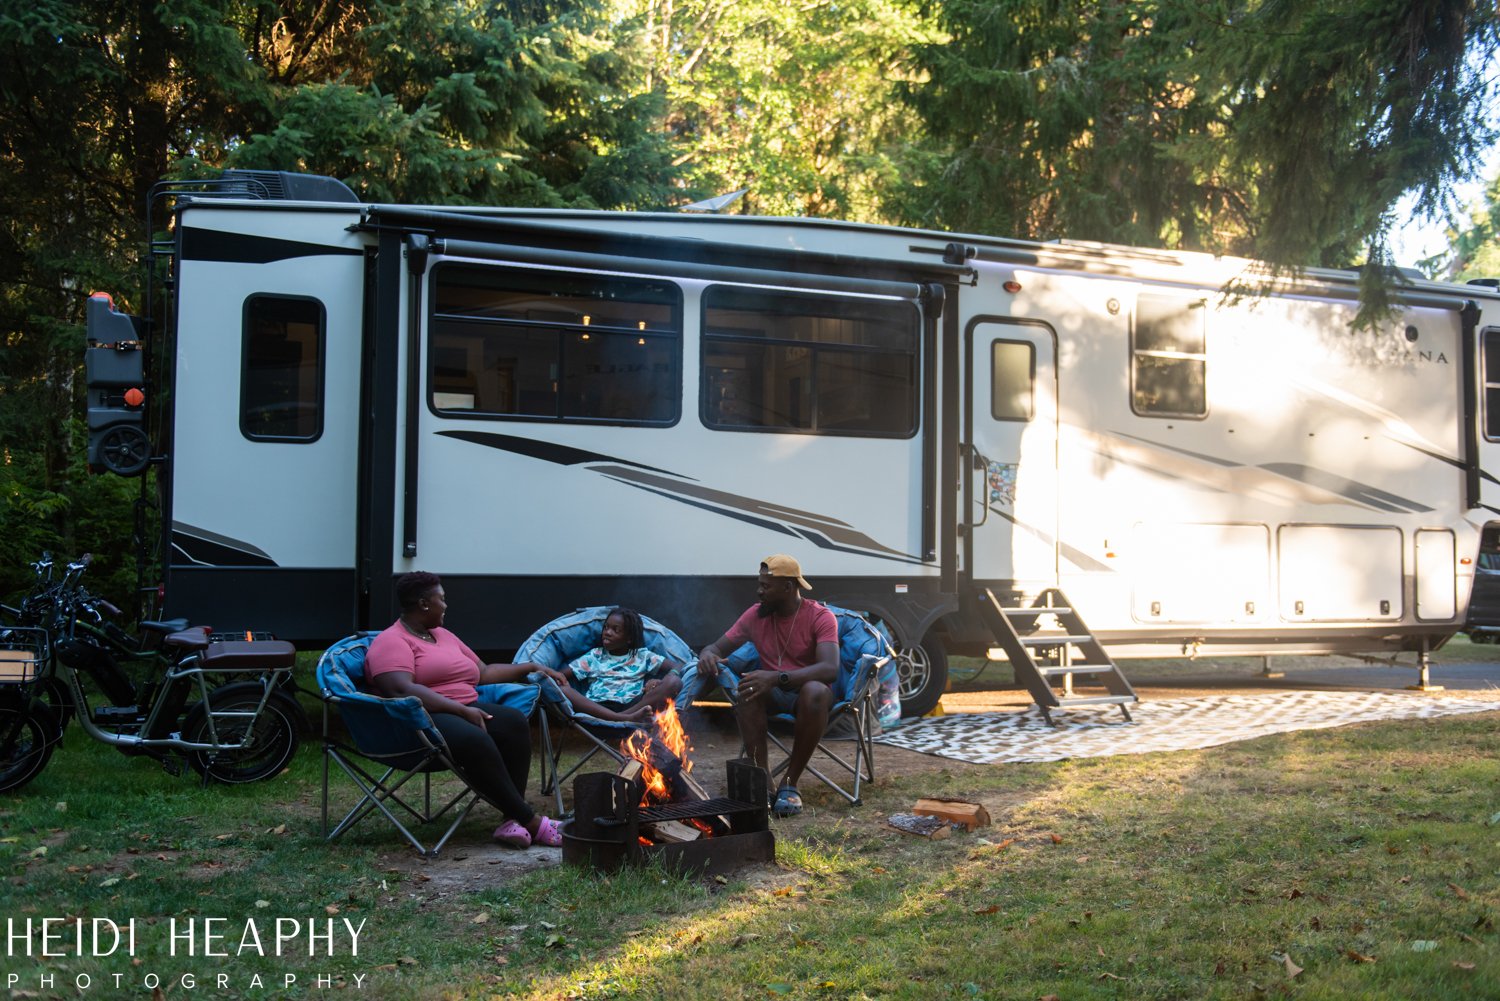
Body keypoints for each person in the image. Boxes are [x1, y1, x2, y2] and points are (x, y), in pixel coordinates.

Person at [365, 571, 564, 849]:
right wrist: (459, 710)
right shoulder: (392, 641)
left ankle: (511, 820)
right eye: (441, 599)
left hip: (460, 710)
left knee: (513, 723)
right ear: (424, 603)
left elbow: (483, 672)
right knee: (476, 737)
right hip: (420, 721)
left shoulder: (443, 635)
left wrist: (531, 667)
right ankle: (531, 821)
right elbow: (400, 689)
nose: (445, 605)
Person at [697, 555, 839, 817]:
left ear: (788, 587)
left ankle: (790, 783)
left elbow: (829, 669)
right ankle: (763, 781)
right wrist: (708, 654)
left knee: (815, 691)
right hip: (772, 692)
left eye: (766, 586)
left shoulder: (821, 616)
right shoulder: (755, 615)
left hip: (806, 695)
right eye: (759, 584)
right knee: (748, 689)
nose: (759, 591)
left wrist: (776, 677)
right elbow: (716, 647)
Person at [557, 607, 683, 723]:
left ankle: (623, 716)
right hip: (598, 707)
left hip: (634, 704)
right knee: (562, 689)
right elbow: (559, 676)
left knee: (674, 682)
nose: (607, 632)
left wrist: (659, 681)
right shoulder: (595, 655)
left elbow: (678, 666)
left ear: (629, 638)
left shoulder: (642, 656)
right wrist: (560, 681)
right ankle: (622, 718)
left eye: (615, 630)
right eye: (606, 627)